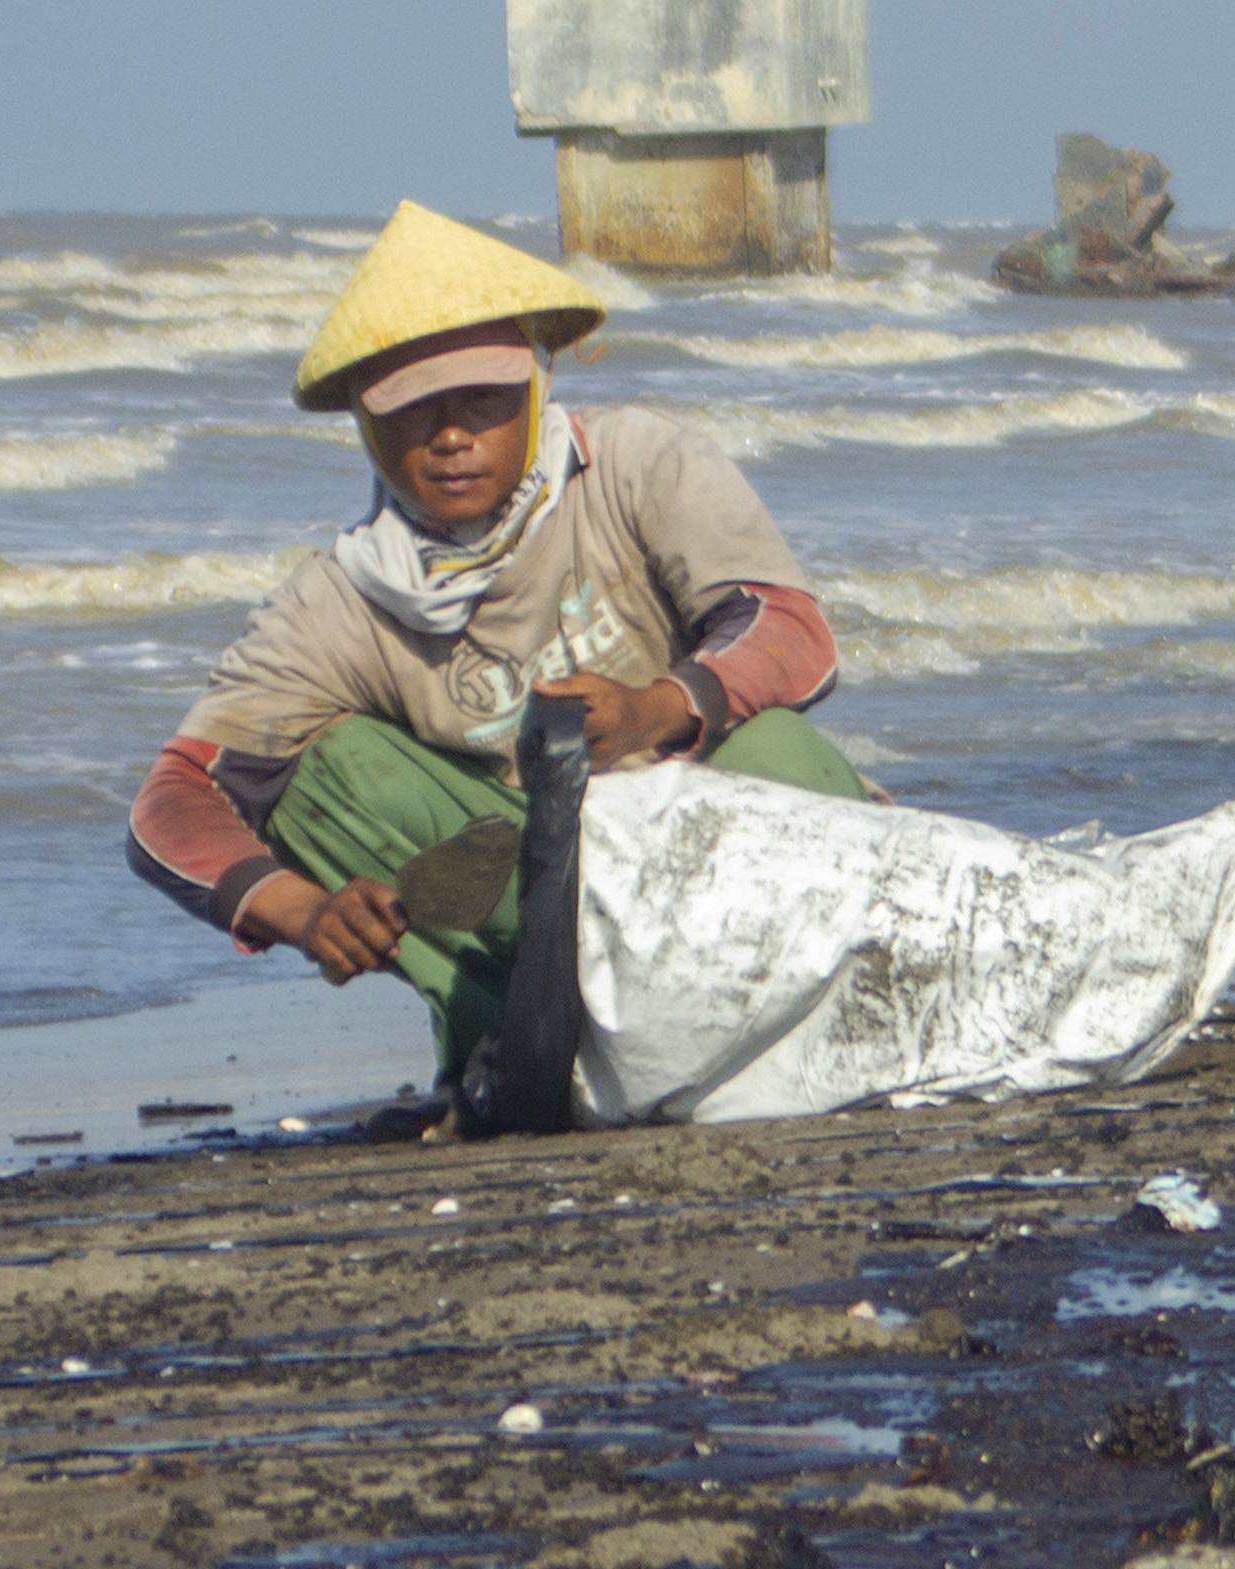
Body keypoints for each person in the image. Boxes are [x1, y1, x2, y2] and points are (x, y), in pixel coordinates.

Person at [126, 200, 864, 1122]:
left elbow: (791, 630)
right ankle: (499, 1027)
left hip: (726, 864)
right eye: (413, 411)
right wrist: (303, 913)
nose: (450, 436)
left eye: (481, 401)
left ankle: (831, 991)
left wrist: (654, 709)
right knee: (321, 773)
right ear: (367, 421)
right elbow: (171, 802)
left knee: (778, 751)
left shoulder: (634, 465)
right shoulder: (344, 598)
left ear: (534, 384)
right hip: (541, 912)